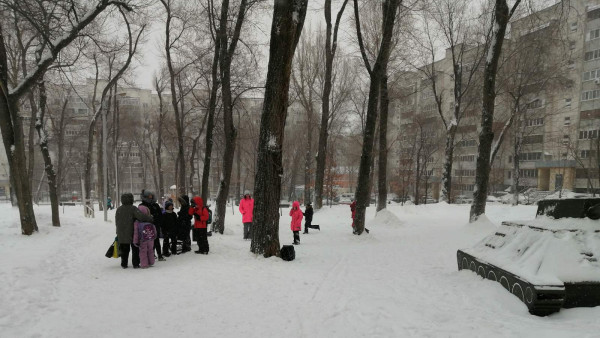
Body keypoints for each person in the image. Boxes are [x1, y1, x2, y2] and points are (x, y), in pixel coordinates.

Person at [115, 193, 153, 269]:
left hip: (121, 233)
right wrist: (150, 218)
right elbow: (141, 217)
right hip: (132, 232)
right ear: (131, 199)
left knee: (124, 250)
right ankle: (135, 263)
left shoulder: (118, 209)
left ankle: (124, 264)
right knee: (135, 249)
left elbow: (117, 221)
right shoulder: (133, 208)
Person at [140, 190, 165, 261]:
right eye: (149, 196)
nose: (151, 197)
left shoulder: (155, 205)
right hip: (146, 226)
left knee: (156, 240)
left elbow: (160, 215)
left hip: (155, 225)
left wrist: (159, 222)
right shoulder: (142, 205)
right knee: (148, 241)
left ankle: (159, 255)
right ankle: (151, 255)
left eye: (151, 195)